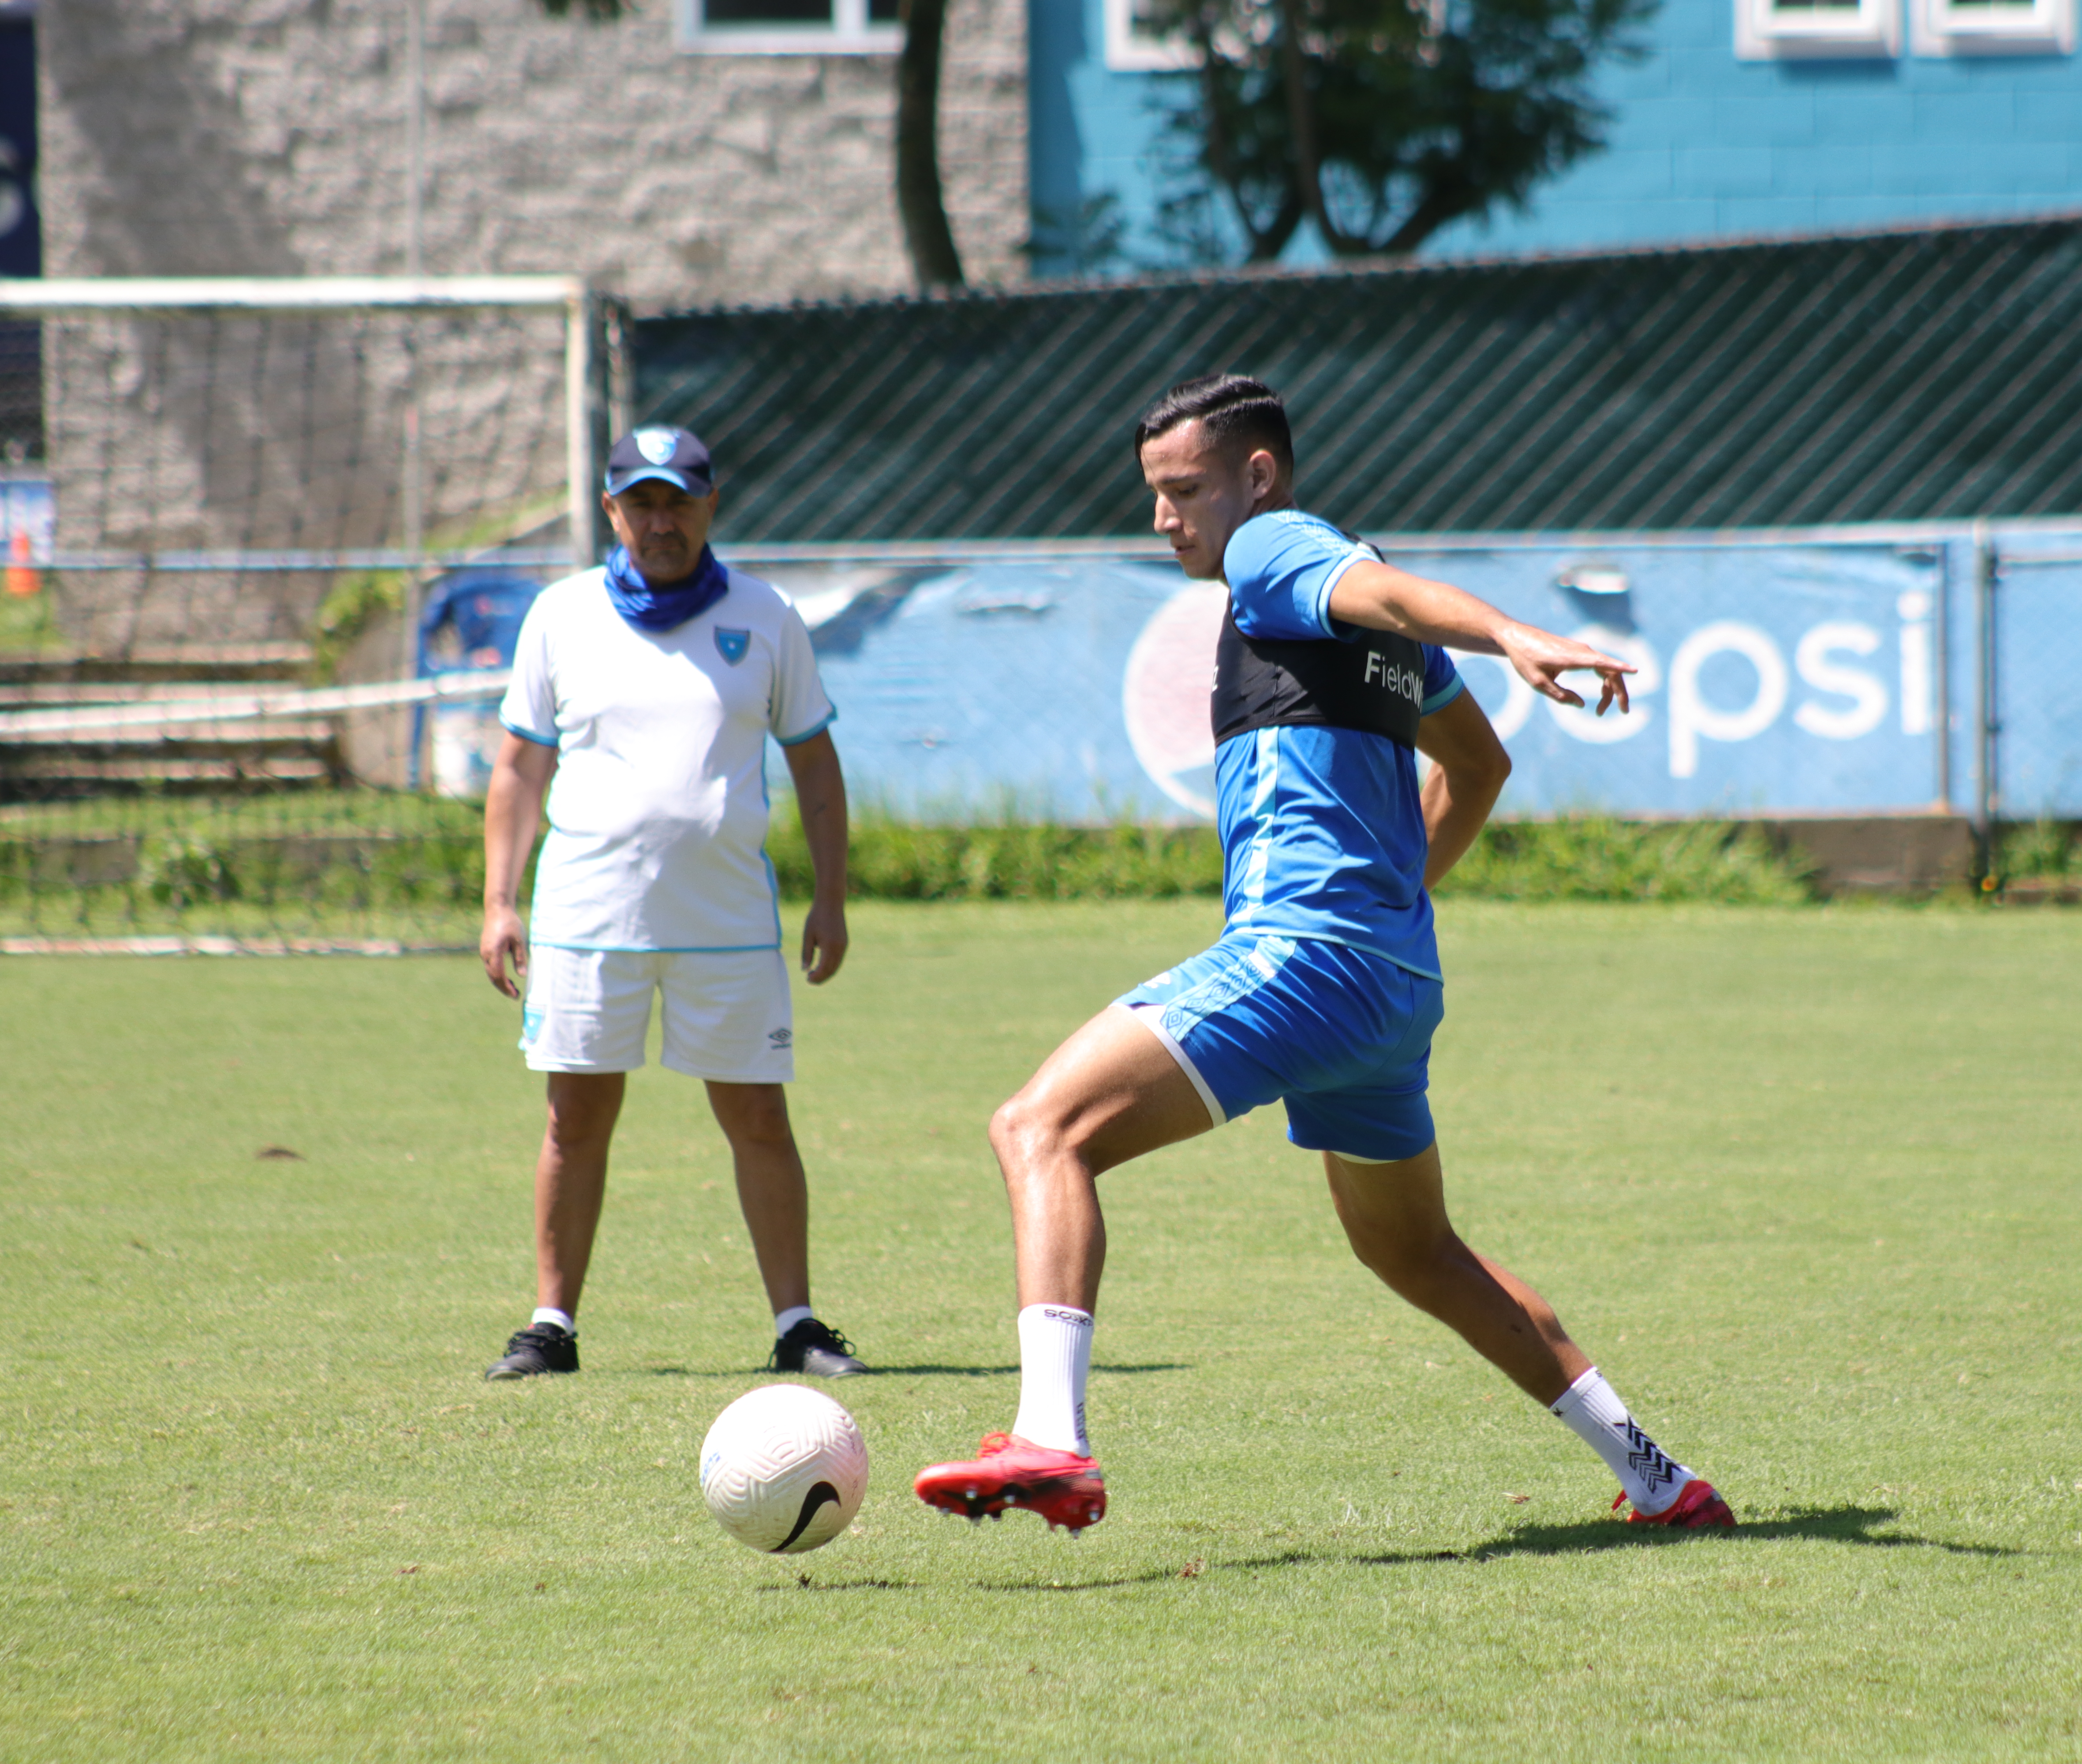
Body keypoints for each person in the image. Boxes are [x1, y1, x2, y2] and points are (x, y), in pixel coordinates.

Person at [911, 375, 1735, 1531]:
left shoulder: (1274, 549)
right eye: (1152, 494)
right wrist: (1394, 895)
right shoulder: (1361, 634)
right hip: (1389, 987)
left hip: (1303, 955)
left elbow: (1384, 586)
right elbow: (1481, 767)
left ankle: (1053, 1440)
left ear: (1257, 476)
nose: (1164, 518)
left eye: (1184, 489)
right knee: (1417, 1253)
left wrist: (1506, 632)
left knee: (1039, 1129)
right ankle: (1662, 1479)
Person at [476, 424, 867, 1383]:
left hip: (728, 921)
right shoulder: (561, 616)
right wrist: (499, 900)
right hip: (586, 917)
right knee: (575, 1118)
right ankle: (550, 1326)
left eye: (679, 500)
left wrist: (832, 896)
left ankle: (799, 1324)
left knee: (760, 1121)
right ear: (612, 511)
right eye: (642, 502)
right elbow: (520, 768)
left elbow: (815, 764)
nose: (662, 520)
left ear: (711, 506)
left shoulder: (767, 615)